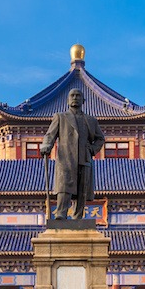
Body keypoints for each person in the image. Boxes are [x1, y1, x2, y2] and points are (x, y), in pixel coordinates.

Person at [41, 88, 105, 219]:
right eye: (72, 95)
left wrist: (92, 149)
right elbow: (50, 135)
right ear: (68, 100)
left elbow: (100, 138)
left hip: (84, 157)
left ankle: (78, 216)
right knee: (64, 187)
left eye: (78, 95)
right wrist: (47, 146)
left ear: (83, 100)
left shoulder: (91, 120)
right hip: (66, 158)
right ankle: (60, 214)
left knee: (82, 189)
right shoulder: (60, 117)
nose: (75, 98)